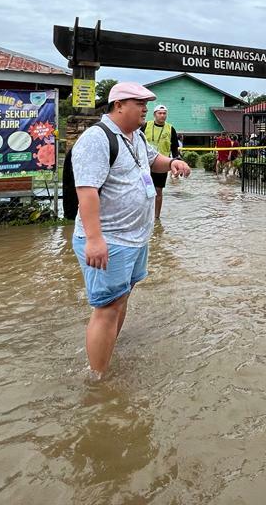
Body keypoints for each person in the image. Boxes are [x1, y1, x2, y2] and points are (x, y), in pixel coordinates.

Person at [72, 81, 191, 376]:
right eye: (139, 104)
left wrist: (172, 162)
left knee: (121, 298)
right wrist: (94, 239)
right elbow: (86, 191)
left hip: (135, 238)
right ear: (118, 105)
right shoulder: (96, 139)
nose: (145, 109)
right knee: (107, 307)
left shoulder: (135, 135)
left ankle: (108, 352)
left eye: (147, 105)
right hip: (109, 238)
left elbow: (152, 160)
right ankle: (97, 382)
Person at [143, 104, 180, 220]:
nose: (162, 115)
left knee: (158, 190)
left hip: (162, 164)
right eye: (160, 113)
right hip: (145, 163)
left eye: (164, 113)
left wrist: (176, 162)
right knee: (144, 189)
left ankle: (156, 217)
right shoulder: (145, 126)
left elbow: (174, 148)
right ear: (154, 114)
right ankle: (144, 215)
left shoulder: (170, 128)